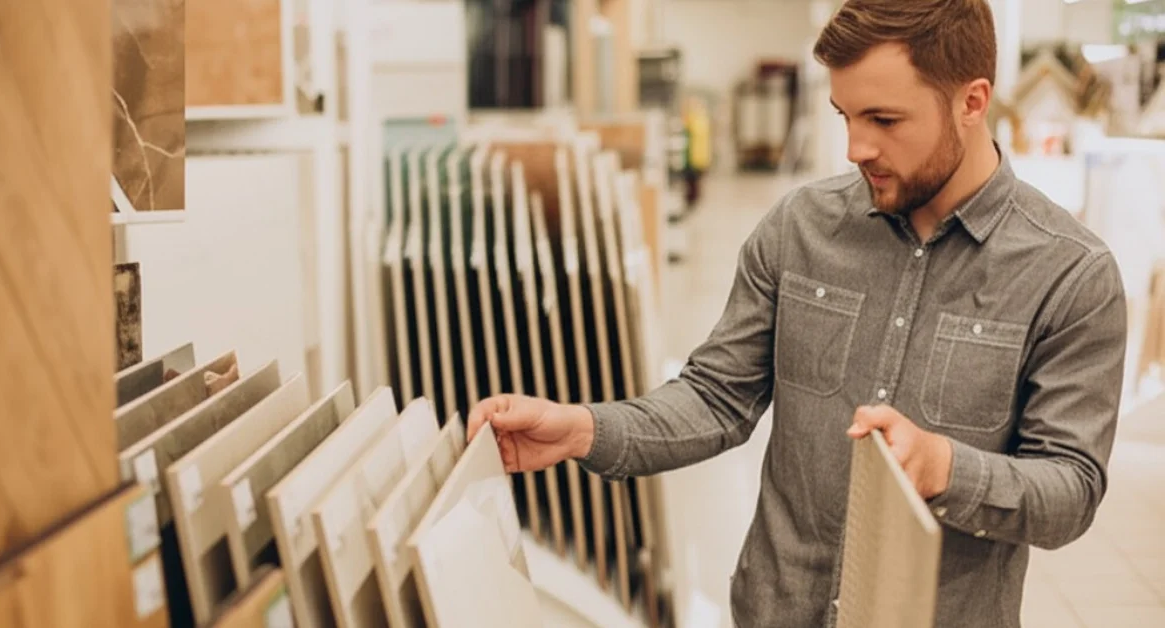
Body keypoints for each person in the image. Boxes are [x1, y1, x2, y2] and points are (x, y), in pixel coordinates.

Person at [466, 1, 1129, 626]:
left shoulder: (1069, 275)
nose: (855, 148)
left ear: (972, 102)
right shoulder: (801, 228)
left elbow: (1069, 491)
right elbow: (716, 399)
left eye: (884, 120)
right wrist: (582, 428)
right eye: (846, 116)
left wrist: (945, 468)